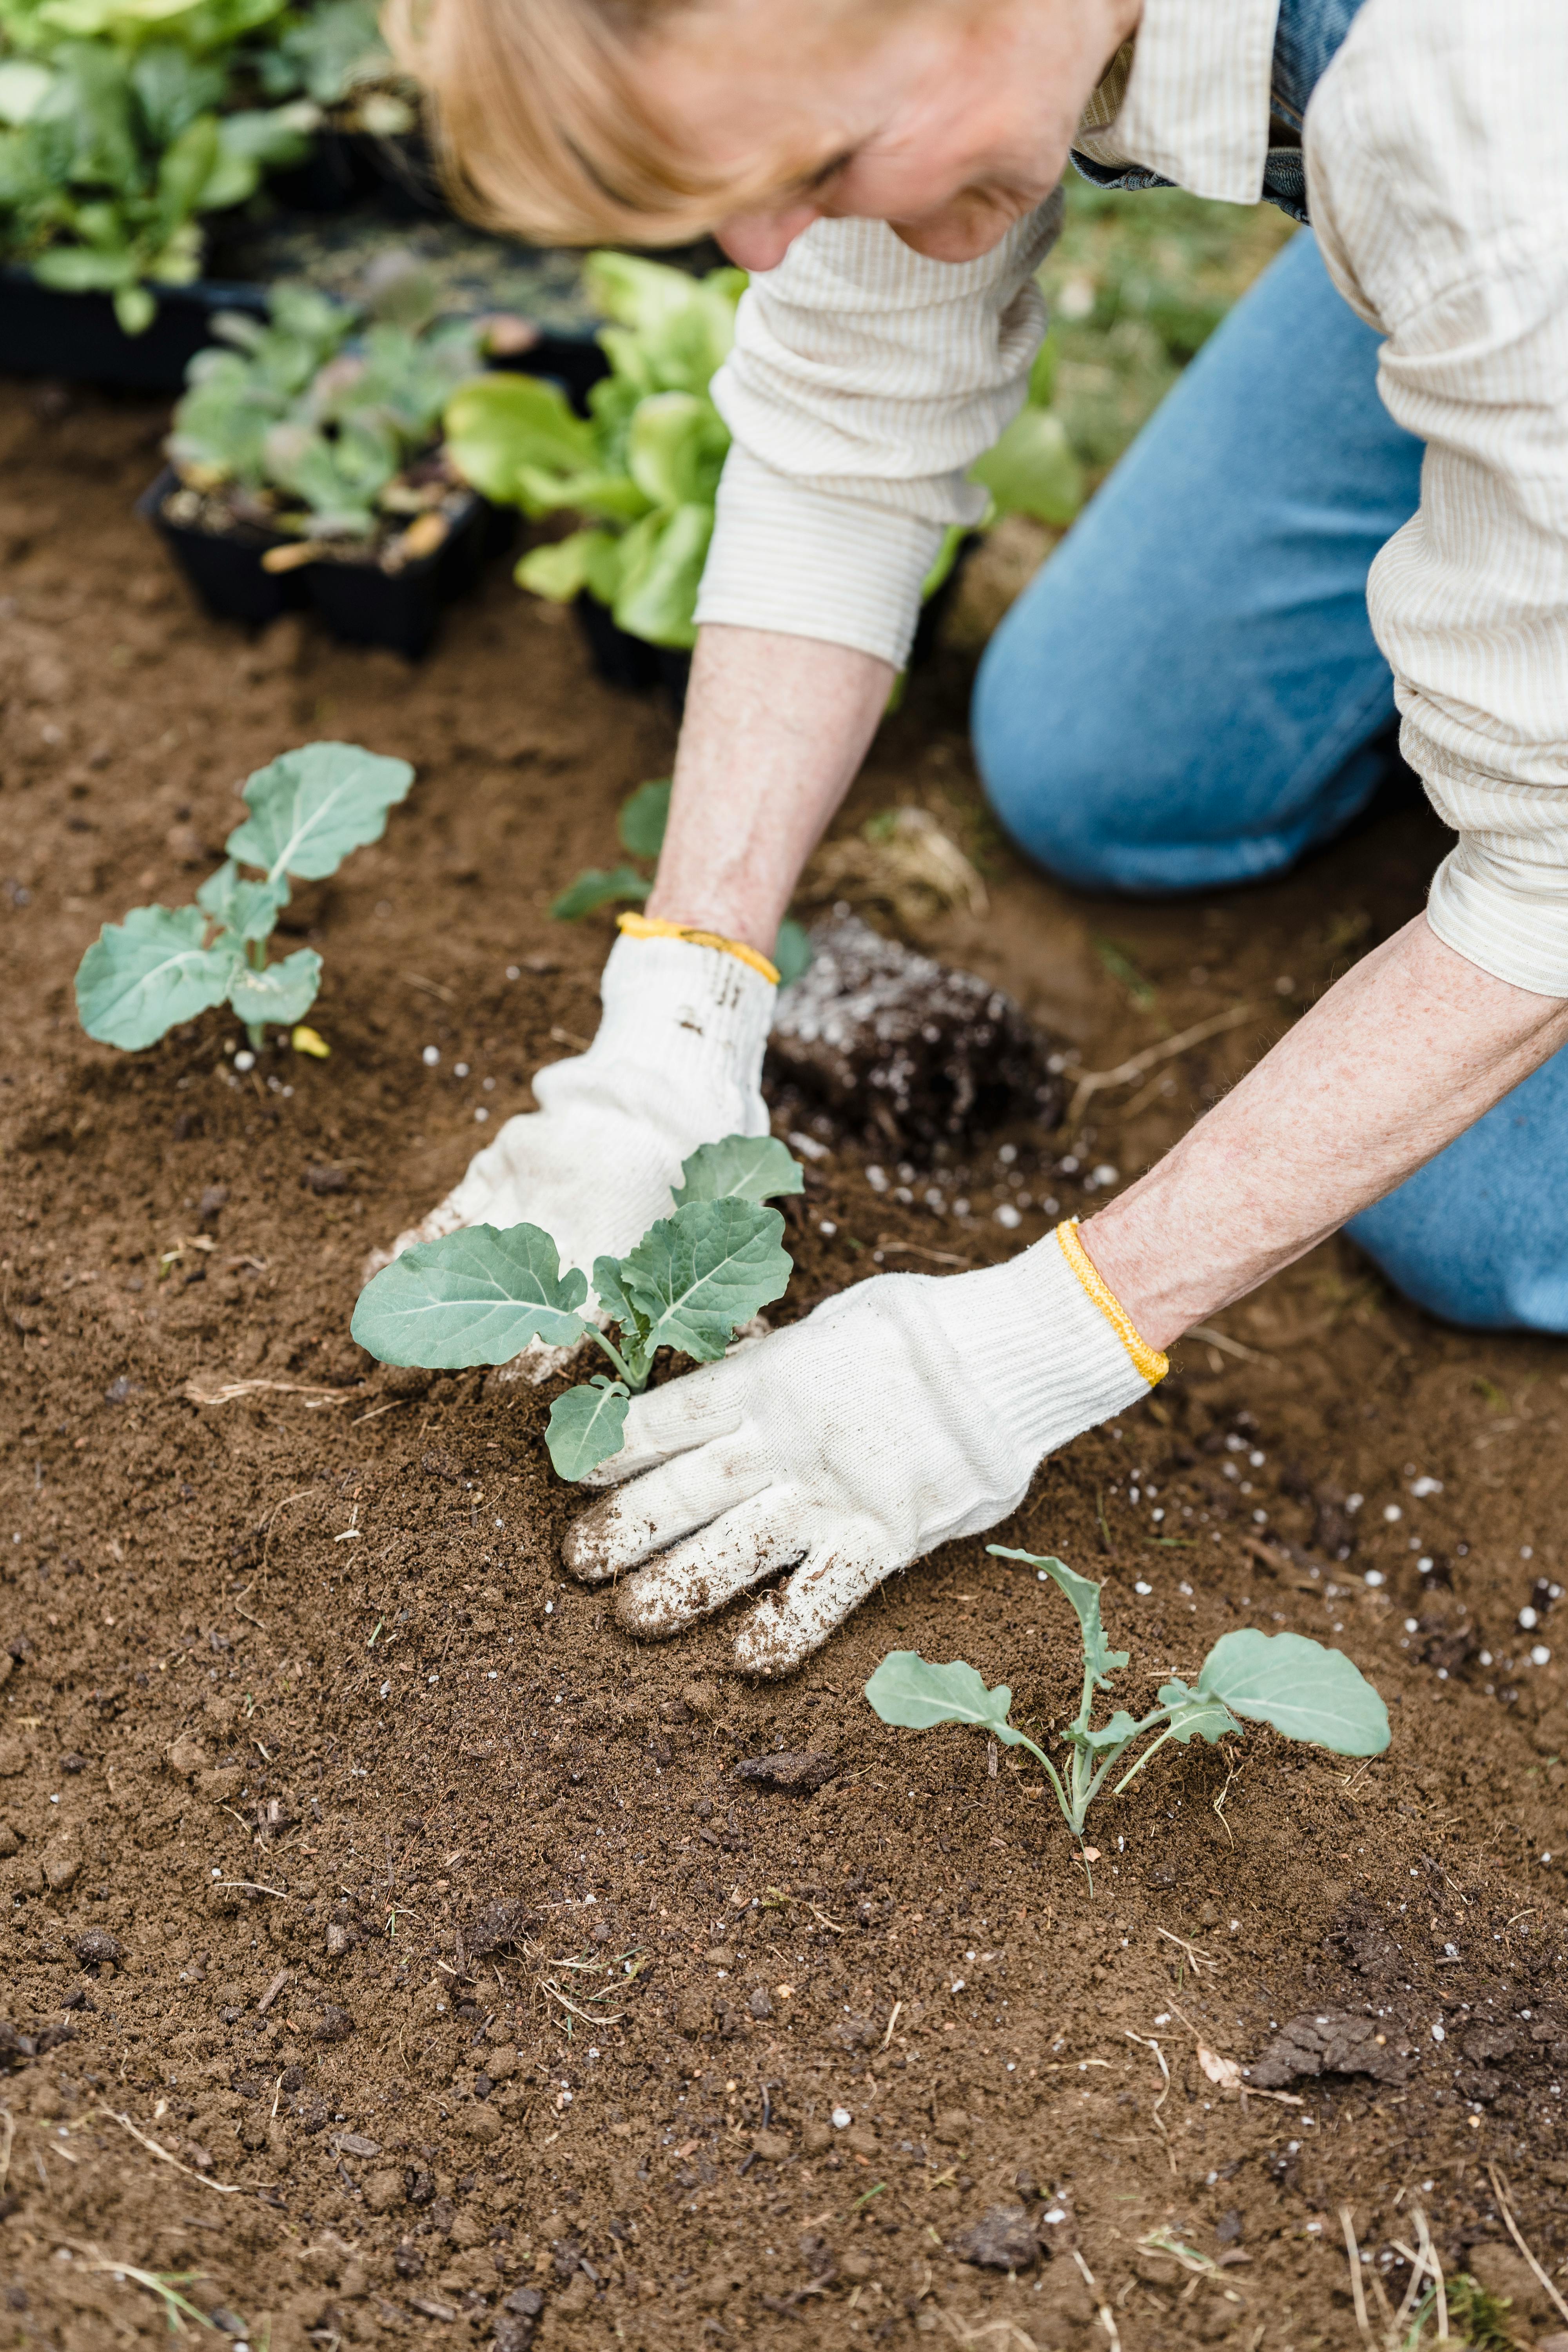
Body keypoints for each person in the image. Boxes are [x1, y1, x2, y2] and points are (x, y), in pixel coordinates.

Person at [380, 0, 1568, 1676]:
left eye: (815, 164)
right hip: (1518, 289)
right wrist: (671, 1031)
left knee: (1459, 1207)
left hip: (1533, 221)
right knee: (1098, 760)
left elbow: (1548, 882)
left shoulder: (1488, 117)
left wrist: (1018, 1350)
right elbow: (847, 425)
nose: (761, 240)